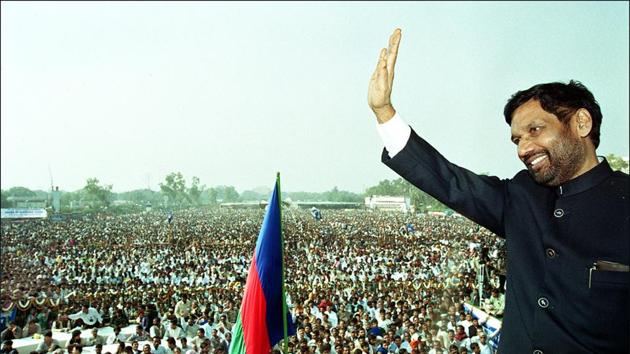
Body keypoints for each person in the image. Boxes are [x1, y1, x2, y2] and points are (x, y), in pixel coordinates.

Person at [368, 28, 629, 353]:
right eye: (517, 140)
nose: (523, 149)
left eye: (535, 130)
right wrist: (384, 113)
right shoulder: (522, 195)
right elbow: (450, 182)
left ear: (581, 124)